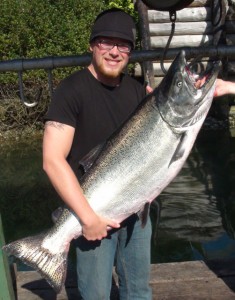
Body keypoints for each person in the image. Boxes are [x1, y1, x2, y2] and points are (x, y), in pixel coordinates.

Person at [43, 8, 235, 300]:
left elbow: (161, 135)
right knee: (96, 294)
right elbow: (52, 161)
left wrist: (213, 89)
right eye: (106, 42)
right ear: (92, 45)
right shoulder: (70, 91)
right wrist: (86, 218)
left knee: (139, 291)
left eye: (123, 45)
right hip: (90, 210)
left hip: (137, 210)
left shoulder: (137, 92)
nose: (114, 52)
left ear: (131, 52)